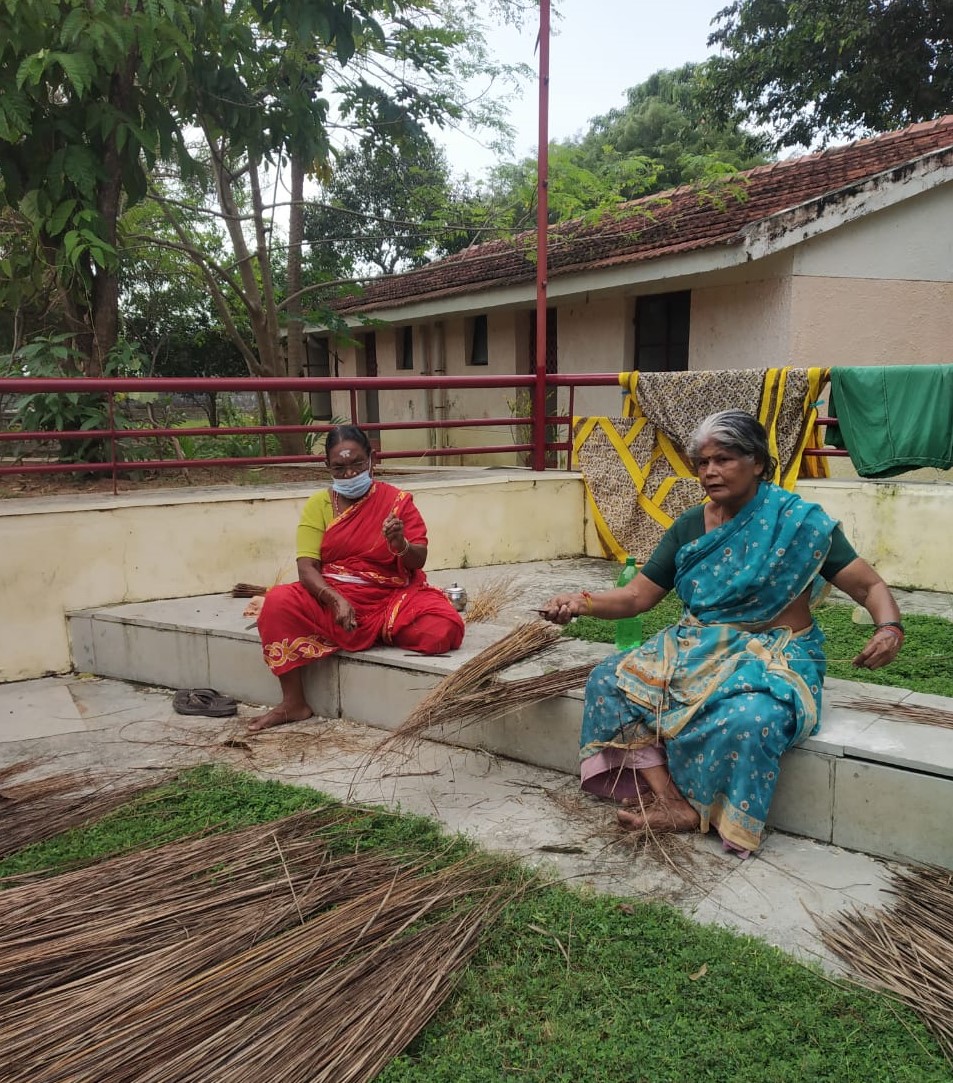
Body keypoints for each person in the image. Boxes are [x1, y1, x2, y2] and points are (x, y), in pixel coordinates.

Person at [541, 410, 903, 856]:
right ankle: (673, 802)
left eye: (725, 459)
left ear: (758, 463)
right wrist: (582, 602)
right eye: (702, 462)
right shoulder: (691, 527)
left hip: (777, 656)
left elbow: (868, 585)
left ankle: (722, 811)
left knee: (750, 717)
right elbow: (637, 597)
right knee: (609, 679)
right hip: (699, 647)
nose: (710, 471)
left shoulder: (798, 523)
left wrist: (889, 626)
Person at [247, 425, 465, 732]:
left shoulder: (396, 502)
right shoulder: (318, 506)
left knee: (445, 630)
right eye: (340, 467)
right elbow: (307, 567)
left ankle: (379, 629)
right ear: (328, 467)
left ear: (372, 459)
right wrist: (335, 599)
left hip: (391, 597)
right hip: (334, 598)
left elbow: (419, 560)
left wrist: (400, 544)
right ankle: (293, 703)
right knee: (277, 603)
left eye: (358, 465)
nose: (350, 474)